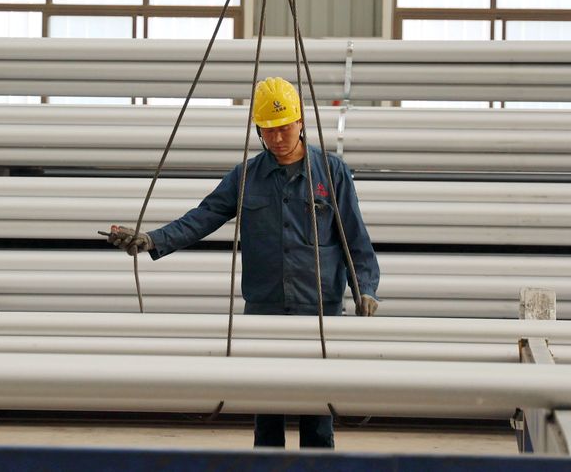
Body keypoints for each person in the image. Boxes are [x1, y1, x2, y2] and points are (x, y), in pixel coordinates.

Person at [106, 76, 381, 449]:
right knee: (266, 405)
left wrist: (365, 288)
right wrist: (152, 239)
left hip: (319, 306)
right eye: (269, 131)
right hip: (264, 305)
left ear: (301, 122)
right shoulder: (247, 176)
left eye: (285, 128)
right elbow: (202, 217)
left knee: (317, 410)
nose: (279, 139)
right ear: (258, 130)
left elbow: (355, 239)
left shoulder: (331, 173)